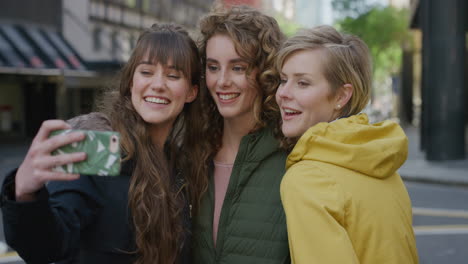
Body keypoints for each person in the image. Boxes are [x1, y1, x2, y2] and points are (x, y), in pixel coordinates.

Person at [0, 23, 205, 264]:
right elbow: (48, 246)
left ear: (191, 92)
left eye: (173, 75)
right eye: (146, 72)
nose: (158, 84)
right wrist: (24, 193)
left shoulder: (184, 163)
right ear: (131, 82)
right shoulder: (94, 146)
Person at [275, 25, 419, 263]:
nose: (283, 93)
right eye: (283, 80)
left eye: (303, 83)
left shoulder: (308, 179)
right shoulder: (379, 160)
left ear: (342, 96)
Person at [192, 5, 290, 264]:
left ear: (266, 72)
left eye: (238, 68)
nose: (222, 81)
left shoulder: (293, 155)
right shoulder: (191, 152)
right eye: (213, 67)